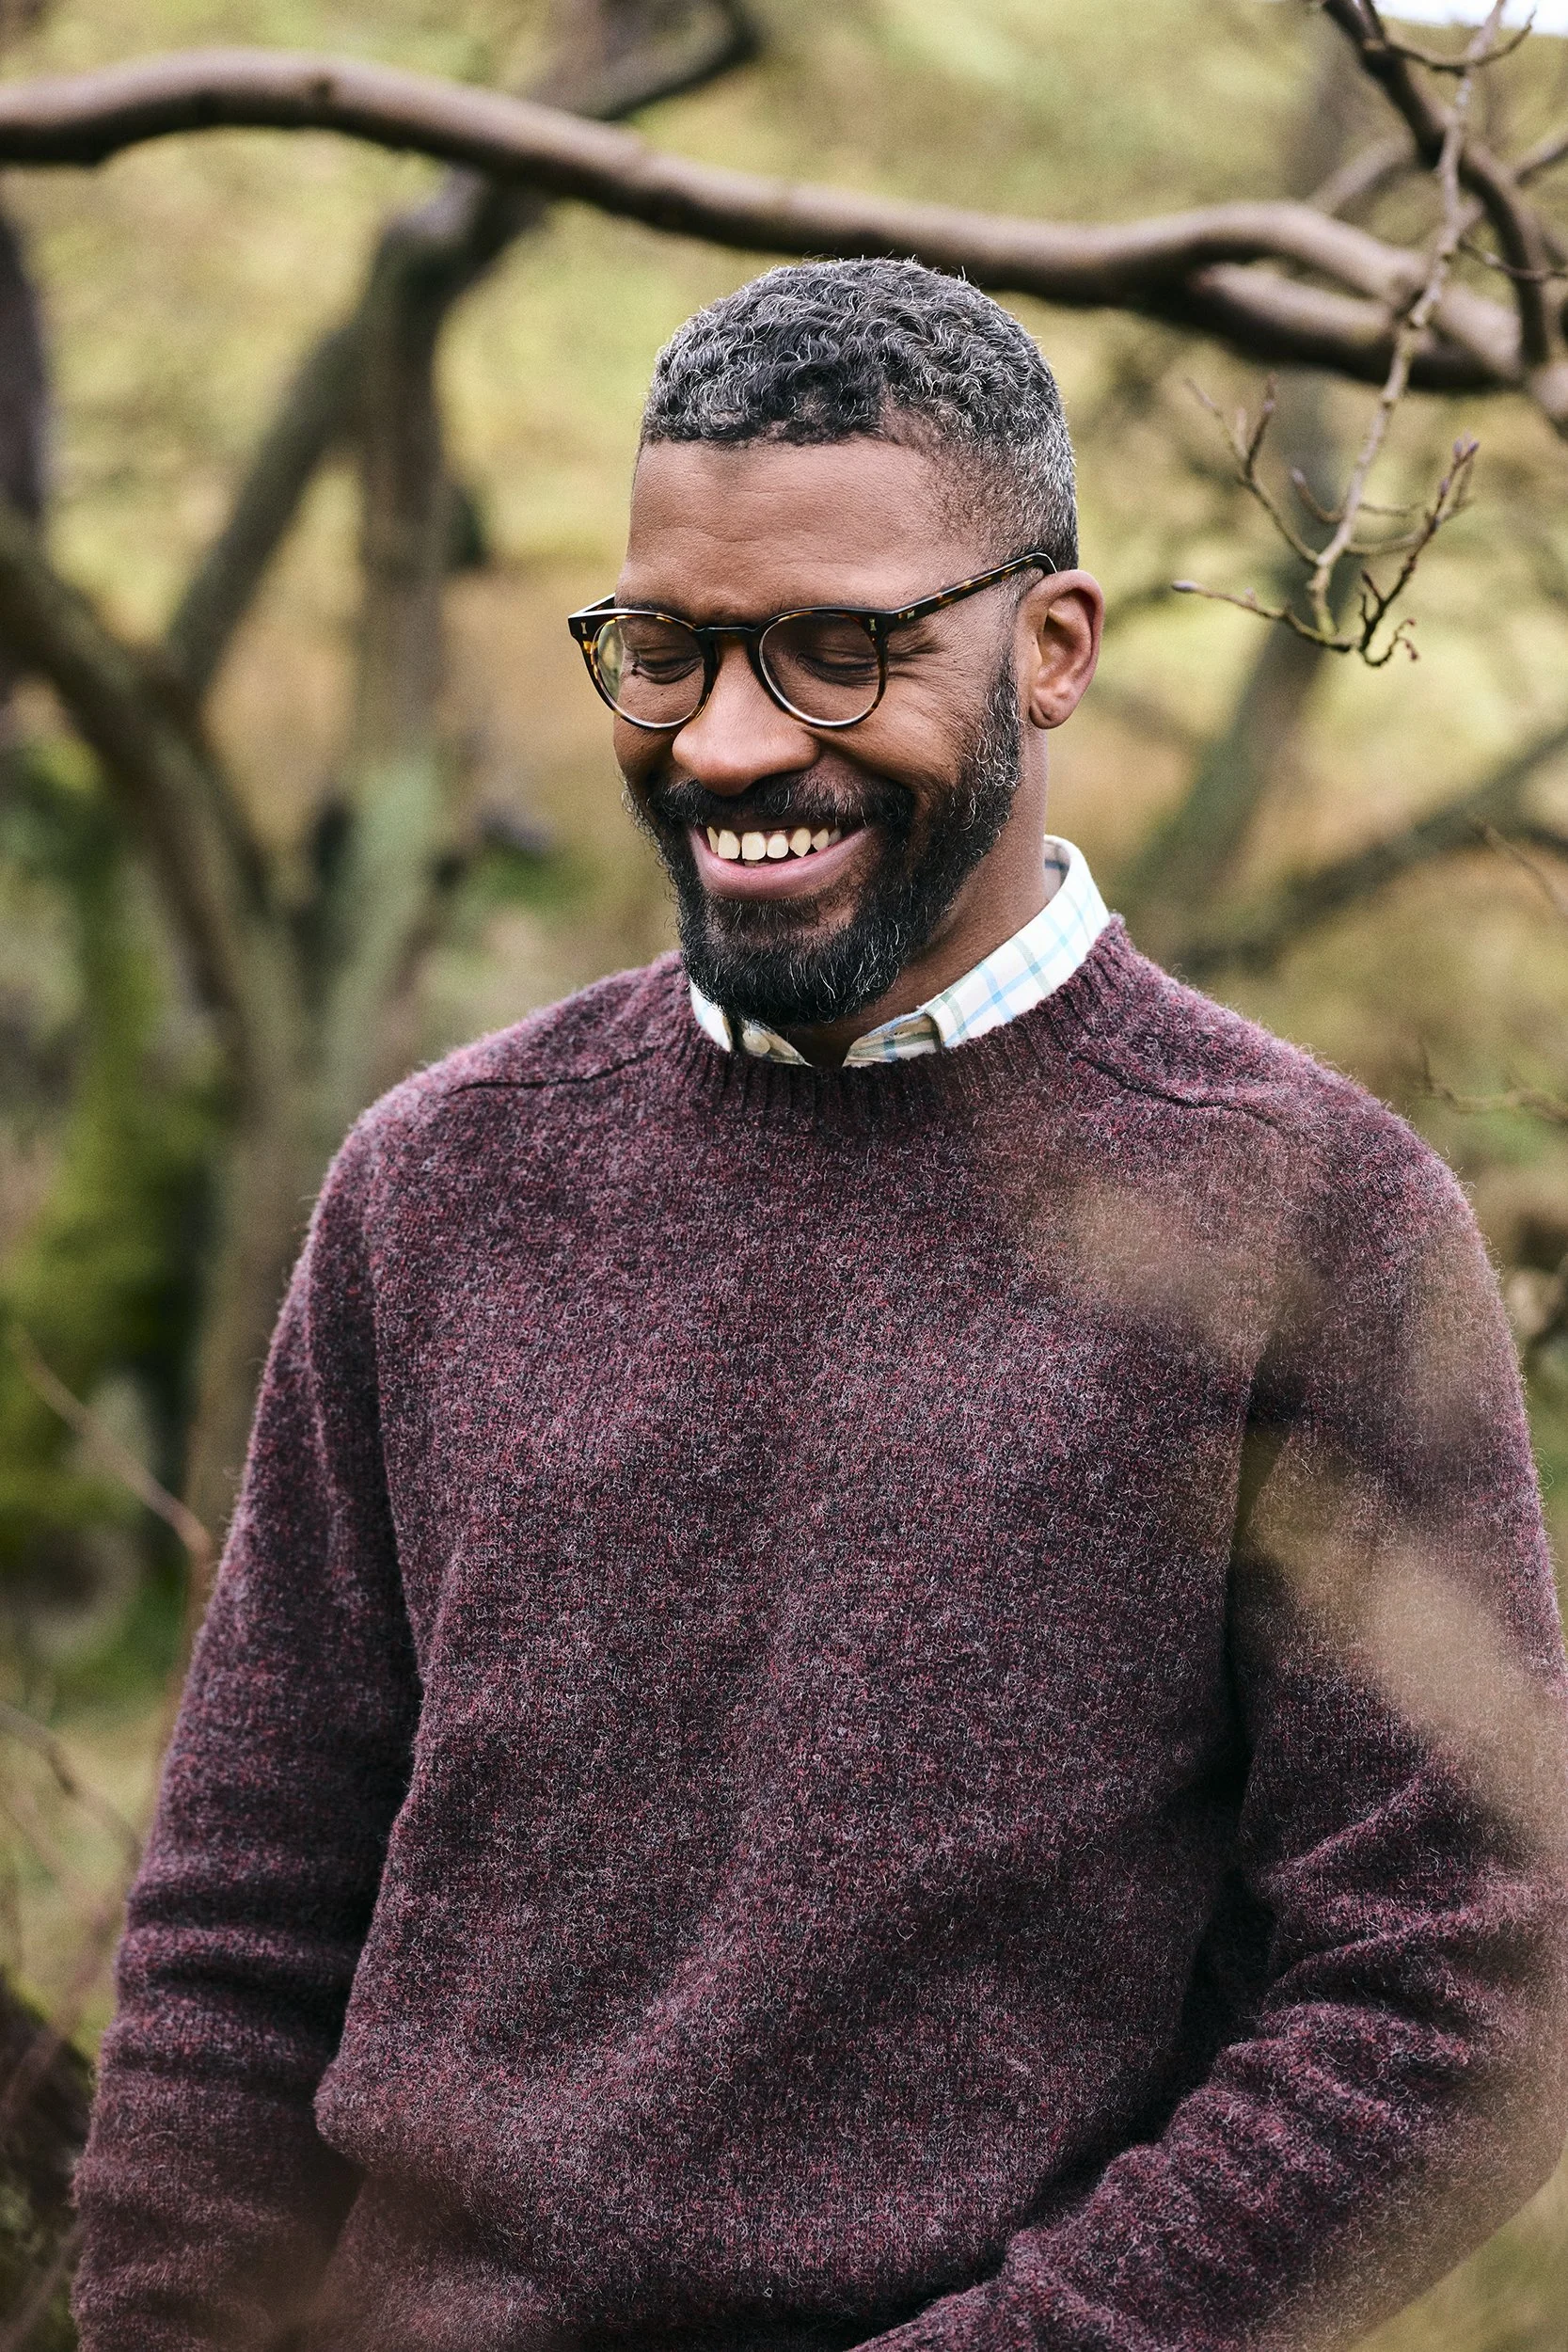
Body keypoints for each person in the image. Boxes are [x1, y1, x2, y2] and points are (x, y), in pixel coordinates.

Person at [73, 259, 1568, 2352]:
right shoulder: (440, 1183)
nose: (732, 741)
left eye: (836, 654)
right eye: (665, 652)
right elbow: (242, 1921)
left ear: (1049, 648)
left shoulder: (1305, 1222)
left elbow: (1453, 1991)